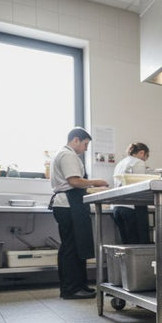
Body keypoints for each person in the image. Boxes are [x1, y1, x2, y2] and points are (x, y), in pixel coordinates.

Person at [49, 127, 108, 299]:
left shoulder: (65, 154)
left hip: (70, 203)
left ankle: (79, 285)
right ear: (75, 140)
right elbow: (74, 181)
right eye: (85, 144)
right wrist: (97, 182)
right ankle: (71, 289)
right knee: (72, 248)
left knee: (77, 246)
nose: (86, 149)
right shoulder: (67, 155)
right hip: (68, 205)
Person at [112, 142, 150, 244]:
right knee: (138, 243)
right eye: (146, 157)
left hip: (117, 207)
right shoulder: (138, 162)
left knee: (127, 243)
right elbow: (141, 186)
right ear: (142, 153)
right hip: (131, 208)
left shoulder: (120, 163)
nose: (145, 161)